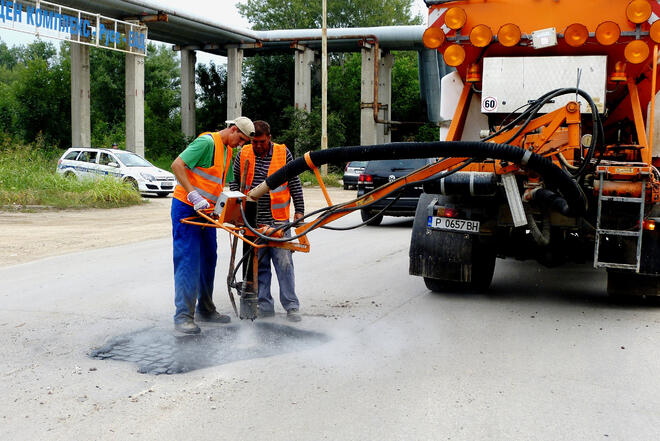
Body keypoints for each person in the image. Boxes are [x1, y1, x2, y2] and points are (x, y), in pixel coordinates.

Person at [170, 117, 255, 334]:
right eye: (241, 139)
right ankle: (183, 316)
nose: (241, 145)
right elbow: (177, 165)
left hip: (206, 212)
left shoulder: (227, 151)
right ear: (233, 129)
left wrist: (227, 211)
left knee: (209, 258)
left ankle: (205, 308)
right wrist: (192, 193)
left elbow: (215, 185)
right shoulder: (207, 142)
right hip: (187, 208)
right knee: (188, 260)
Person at [230, 120, 305, 322]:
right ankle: (264, 306)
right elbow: (235, 183)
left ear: (269, 138)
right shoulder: (243, 153)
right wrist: (237, 210)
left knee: (284, 263)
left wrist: (300, 211)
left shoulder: (282, 153)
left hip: (278, 221)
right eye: (254, 142)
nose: (257, 146)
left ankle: (291, 306)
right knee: (258, 265)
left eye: (261, 142)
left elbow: (294, 182)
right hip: (252, 221)